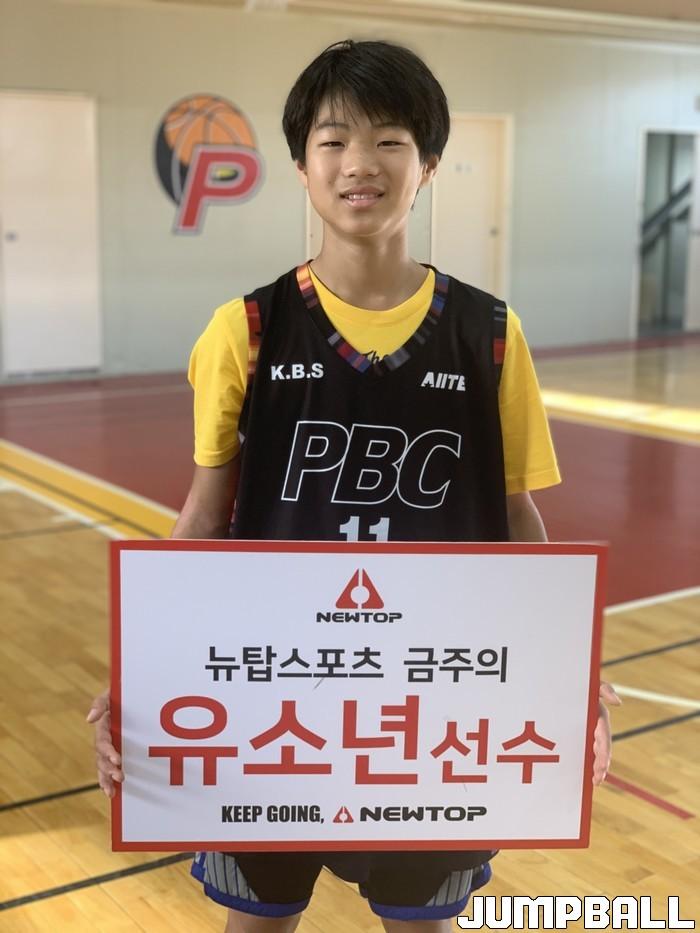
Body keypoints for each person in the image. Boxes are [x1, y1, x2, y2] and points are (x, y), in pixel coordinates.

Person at [89, 38, 620, 933]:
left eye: (389, 141)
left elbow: (518, 516)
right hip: (273, 694)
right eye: (333, 141)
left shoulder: (490, 332)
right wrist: (141, 669)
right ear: (301, 166)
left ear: (429, 164)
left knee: (420, 921)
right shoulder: (245, 328)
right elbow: (206, 515)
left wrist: (572, 673)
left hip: (427, 701)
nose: (359, 164)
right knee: (257, 921)